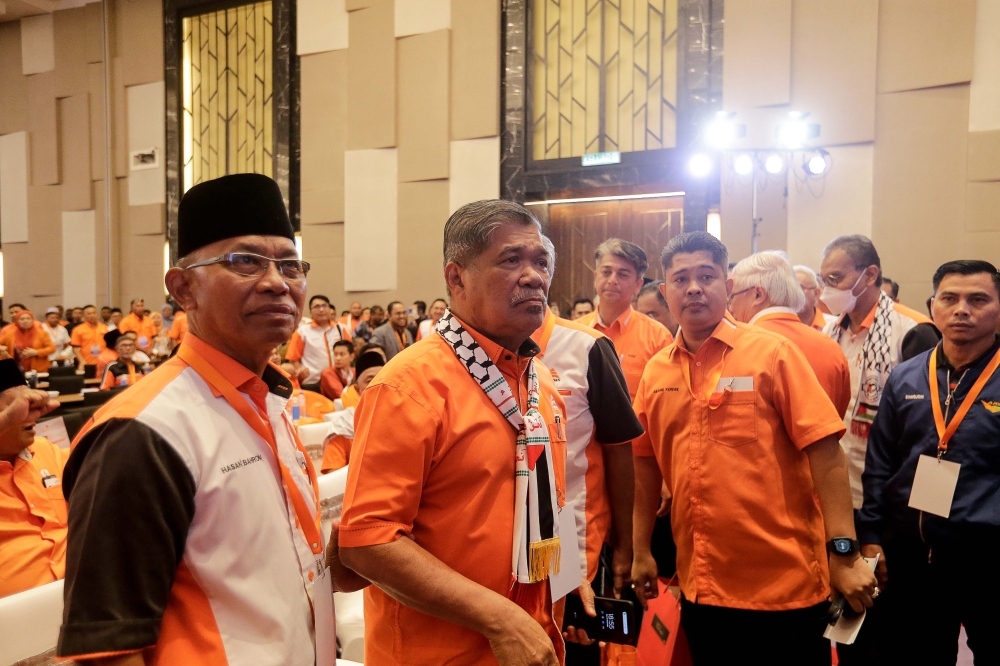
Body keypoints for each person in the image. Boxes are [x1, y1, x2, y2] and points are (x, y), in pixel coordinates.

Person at [57, 173, 327, 665]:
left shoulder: (268, 400)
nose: (276, 282)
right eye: (244, 262)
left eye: (290, 265)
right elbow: (106, 651)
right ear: (184, 289)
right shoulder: (143, 433)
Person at [335, 199, 568, 665]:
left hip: (534, 641)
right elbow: (368, 539)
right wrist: (499, 620)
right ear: (456, 278)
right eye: (510, 260)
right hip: (444, 652)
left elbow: (547, 503)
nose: (533, 276)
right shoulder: (409, 387)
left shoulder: (541, 381)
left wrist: (568, 582)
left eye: (541, 261)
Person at [631, 232, 877, 665]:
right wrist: (640, 552)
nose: (693, 287)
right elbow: (645, 465)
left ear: (727, 287)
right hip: (702, 587)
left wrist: (844, 552)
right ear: (665, 291)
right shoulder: (656, 372)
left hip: (784, 591)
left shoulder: (772, 354)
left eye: (706, 275)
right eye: (680, 278)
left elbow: (826, 454)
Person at [859, 260, 1000, 665]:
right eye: (949, 298)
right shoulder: (904, 377)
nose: (961, 310)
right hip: (913, 556)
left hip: (987, 559)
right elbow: (880, 463)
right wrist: (871, 535)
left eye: (978, 300)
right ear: (932, 305)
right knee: (914, 654)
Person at [530, 292, 643, 647]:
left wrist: (625, 545)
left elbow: (619, 450)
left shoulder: (586, 346)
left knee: (568, 637)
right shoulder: (480, 351)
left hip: (567, 527)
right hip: (503, 534)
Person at [819, 235, 940, 509]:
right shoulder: (830, 332)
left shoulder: (912, 330)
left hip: (892, 487)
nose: (827, 290)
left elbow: (927, 424)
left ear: (870, 274)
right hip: (842, 481)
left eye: (835, 279)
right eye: (823, 280)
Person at [729, 251, 852, 417]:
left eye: (731, 297)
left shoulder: (740, 346)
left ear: (758, 295)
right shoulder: (832, 347)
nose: (730, 308)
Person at [0, 360, 65, 598]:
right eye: (16, 406)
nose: (30, 415)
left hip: (82, 598)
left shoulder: (47, 449)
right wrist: (7, 420)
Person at [578, 239, 672, 399]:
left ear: (638, 285)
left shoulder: (658, 337)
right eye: (606, 272)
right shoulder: (573, 332)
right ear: (595, 278)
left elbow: (665, 399)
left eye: (622, 274)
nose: (612, 280)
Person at [320, 350, 385, 473]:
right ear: (357, 389)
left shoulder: (402, 419)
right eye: (369, 381)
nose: (378, 386)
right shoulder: (343, 427)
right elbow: (333, 478)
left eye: (383, 379)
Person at [285, 295, 352, 389]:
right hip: (312, 382)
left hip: (338, 381)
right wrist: (300, 373)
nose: (321, 310)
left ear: (330, 309)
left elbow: (350, 352)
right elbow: (293, 358)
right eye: (317, 307)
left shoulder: (341, 329)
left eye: (324, 306)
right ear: (310, 312)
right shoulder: (302, 332)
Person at [794, 265, 836, 330]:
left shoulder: (834, 326)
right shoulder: (779, 327)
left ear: (816, 293)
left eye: (799, 287)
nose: (792, 293)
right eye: (788, 289)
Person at [70, 306, 109, 371]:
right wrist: (82, 361)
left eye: (94, 313)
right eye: (89, 314)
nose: (92, 315)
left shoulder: (105, 327)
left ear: (97, 314)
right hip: (87, 362)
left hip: (103, 362)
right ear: (83, 316)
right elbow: (75, 348)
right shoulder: (77, 329)